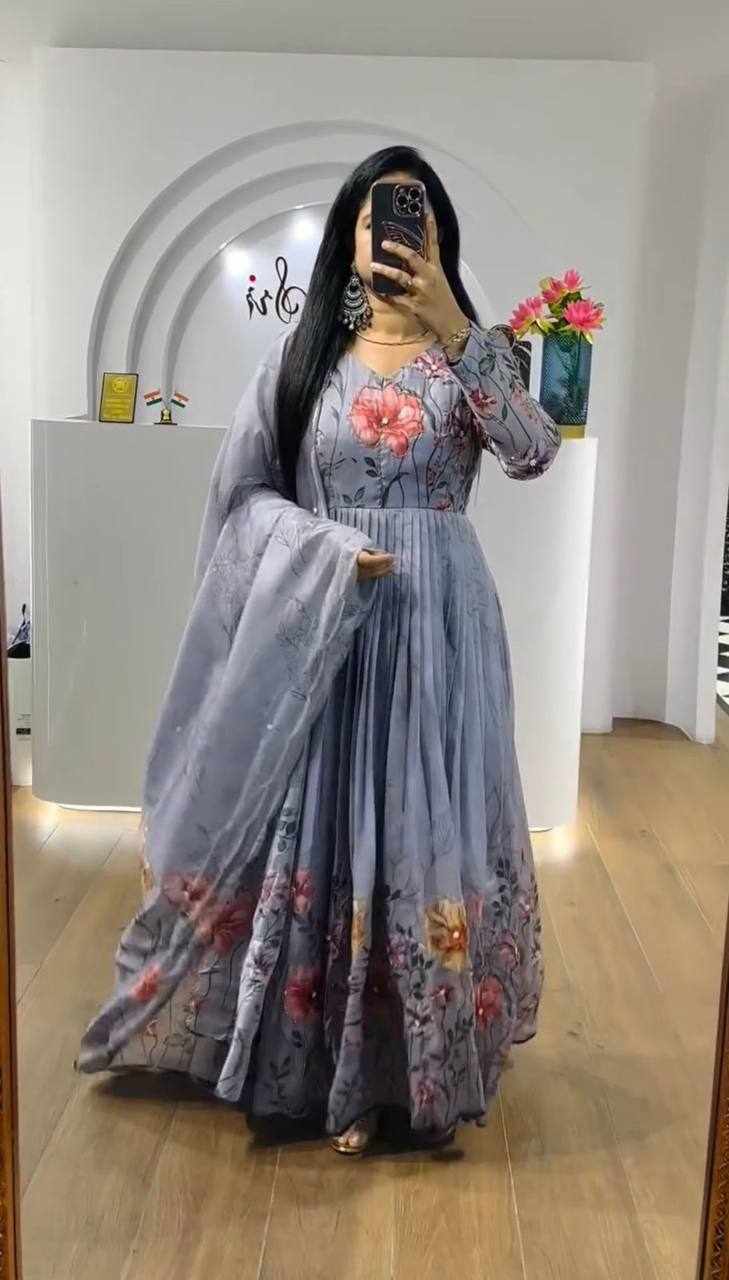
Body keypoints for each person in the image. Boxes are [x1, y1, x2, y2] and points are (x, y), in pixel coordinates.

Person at [75, 144, 562, 1157]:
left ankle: (410, 1072)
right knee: (329, 830)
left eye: (416, 216)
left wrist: (455, 324)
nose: (394, 234)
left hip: (436, 633)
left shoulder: (473, 357)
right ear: (350, 234)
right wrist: (325, 550)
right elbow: (244, 496)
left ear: (439, 238)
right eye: (378, 216)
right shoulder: (301, 362)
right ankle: (318, 1063)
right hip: (325, 627)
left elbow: (531, 451)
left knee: (422, 830)